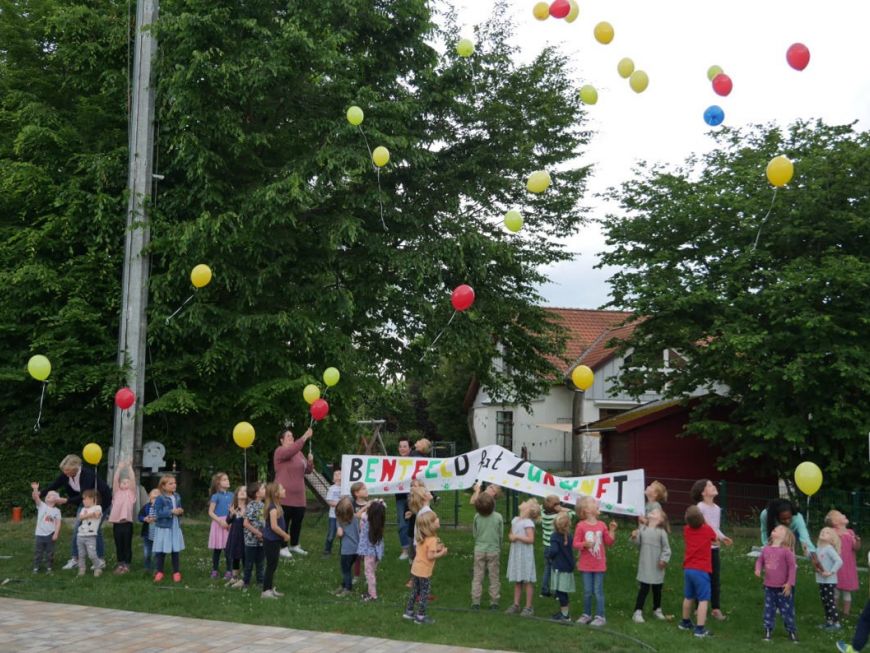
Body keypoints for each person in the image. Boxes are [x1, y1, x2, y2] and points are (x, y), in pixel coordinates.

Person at [40, 454, 112, 570]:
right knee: (79, 528)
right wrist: (39, 494)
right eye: (64, 470)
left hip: (101, 502)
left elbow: (82, 495)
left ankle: (100, 560)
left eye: (67, 470)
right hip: (85, 502)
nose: (65, 472)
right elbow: (54, 485)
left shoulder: (88, 475)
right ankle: (76, 559)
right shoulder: (66, 474)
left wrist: (66, 500)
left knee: (95, 529)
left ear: (76, 467)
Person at [690, 478, 733, 620]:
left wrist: (722, 537)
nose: (713, 486)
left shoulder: (716, 509)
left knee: (715, 579)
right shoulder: (700, 507)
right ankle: (698, 607)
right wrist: (717, 537)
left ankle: (715, 608)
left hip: (713, 549)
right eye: (709, 485)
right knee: (702, 577)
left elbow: (715, 527)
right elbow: (705, 525)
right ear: (703, 492)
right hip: (702, 549)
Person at [573, 496, 618, 627]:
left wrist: (612, 530)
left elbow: (609, 542)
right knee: (587, 591)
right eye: (593, 502)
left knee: (598, 591)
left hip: (599, 565)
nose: (597, 503)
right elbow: (575, 543)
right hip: (586, 565)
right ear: (586, 510)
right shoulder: (580, 526)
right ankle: (586, 614)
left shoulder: (602, 525)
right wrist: (584, 544)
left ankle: (600, 616)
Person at [273, 426, 314, 558]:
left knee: (297, 522)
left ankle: (294, 545)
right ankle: (282, 546)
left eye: (292, 436)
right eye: (288, 436)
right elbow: (292, 450)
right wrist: (305, 437)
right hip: (284, 496)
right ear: (281, 440)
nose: (291, 437)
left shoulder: (299, 453)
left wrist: (310, 462)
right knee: (283, 522)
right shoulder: (280, 451)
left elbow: (307, 471)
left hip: (299, 496)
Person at [403, 510, 448, 625]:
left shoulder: (421, 537)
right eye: (435, 518)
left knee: (415, 590)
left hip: (415, 569)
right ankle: (420, 616)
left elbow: (424, 551)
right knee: (424, 593)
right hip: (424, 571)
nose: (438, 519)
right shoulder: (432, 539)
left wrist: (437, 548)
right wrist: (441, 553)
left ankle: (408, 612)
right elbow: (430, 556)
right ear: (430, 525)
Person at [755, 524, 798, 643]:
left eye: (780, 529)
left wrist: (790, 583)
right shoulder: (766, 549)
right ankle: (768, 630)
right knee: (769, 610)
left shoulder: (786, 551)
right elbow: (760, 561)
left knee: (787, 611)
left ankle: (792, 631)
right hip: (769, 586)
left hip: (783, 587)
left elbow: (792, 568)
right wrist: (758, 569)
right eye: (776, 528)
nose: (776, 528)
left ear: (785, 537)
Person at [679, 505, 717, 638]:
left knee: (688, 596)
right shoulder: (707, 529)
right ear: (701, 518)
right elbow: (715, 539)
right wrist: (704, 521)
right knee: (703, 599)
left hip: (688, 569)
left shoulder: (686, 530)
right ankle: (700, 629)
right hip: (701, 570)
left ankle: (685, 622)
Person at [631, 508, 671, 623]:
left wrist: (664, 560)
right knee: (644, 588)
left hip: (657, 566)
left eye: (655, 512)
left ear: (660, 519)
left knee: (657, 589)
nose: (652, 512)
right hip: (645, 563)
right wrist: (634, 536)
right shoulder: (643, 528)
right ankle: (637, 612)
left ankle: (657, 609)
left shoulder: (661, 532)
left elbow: (666, 549)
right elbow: (638, 544)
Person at [505, 497, 541, 617]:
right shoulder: (515, 520)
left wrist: (517, 538)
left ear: (528, 509)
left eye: (526, 502)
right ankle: (516, 604)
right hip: (516, 554)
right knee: (518, 579)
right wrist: (511, 537)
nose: (523, 502)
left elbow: (531, 539)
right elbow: (511, 533)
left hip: (525, 555)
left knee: (527, 580)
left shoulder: (528, 523)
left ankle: (528, 607)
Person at [471, 491, 503, 611]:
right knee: (494, 576)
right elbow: (501, 534)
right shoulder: (498, 517)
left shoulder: (476, 517)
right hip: (493, 550)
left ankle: (475, 602)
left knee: (477, 576)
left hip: (479, 550)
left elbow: (475, 533)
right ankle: (494, 602)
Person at [827, 510, 862, 617]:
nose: (844, 515)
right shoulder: (832, 532)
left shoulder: (851, 532)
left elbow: (855, 548)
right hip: (836, 566)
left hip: (848, 566)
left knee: (847, 591)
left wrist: (858, 541)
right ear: (835, 522)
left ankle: (846, 613)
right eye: (841, 515)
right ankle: (835, 610)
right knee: (836, 589)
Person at [152, 474, 184, 583]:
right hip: (164, 528)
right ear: (163, 486)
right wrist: (171, 511)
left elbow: (179, 508)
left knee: (175, 549)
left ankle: (176, 572)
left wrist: (180, 511)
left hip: (174, 526)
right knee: (161, 550)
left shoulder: (177, 496)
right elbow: (158, 513)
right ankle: (160, 571)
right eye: (171, 483)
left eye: (175, 483)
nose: (174, 485)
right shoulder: (160, 498)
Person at [261, 482, 291, 599]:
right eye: (282, 489)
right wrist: (285, 535)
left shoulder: (277, 505)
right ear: (276, 493)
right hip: (271, 540)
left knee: (273, 565)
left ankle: (269, 588)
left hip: (274, 540)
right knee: (271, 565)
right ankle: (265, 591)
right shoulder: (273, 508)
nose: (284, 490)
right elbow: (274, 526)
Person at [540, 494, 572, 598]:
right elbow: (572, 514)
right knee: (556, 569)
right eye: (557, 504)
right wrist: (562, 509)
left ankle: (544, 589)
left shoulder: (543, 515)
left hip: (546, 547)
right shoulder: (557, 517)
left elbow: (541, 506)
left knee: (547, 568)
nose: (560, 505)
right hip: (556, 547)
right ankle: (557, 591)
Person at [108, 459, 137, 574]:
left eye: (127, 482)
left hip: (127, 524)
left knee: (127, 544)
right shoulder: (116, 493)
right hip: (117, 524)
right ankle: (120, 564)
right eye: (122, 482)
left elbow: (133, 480)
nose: (124, 483)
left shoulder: (131, 493)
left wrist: (129, 467)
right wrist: (119, 468)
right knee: (118, 544)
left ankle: (127, 564)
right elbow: (115, 480)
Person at [546, 511, 576, 622]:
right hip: (568, 567)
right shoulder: (569, 536)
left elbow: (554, 550)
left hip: (559, 568)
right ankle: (564, 612)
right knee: (563, 591)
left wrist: (549, 556)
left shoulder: (555, 536)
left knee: (561, 592)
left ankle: (565, 615)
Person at [29, 482, 61, 573]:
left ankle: (49, 567)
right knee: (38, 552)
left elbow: (58, 523)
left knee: (49, 552)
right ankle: (36, 567)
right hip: (39, 534)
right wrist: (35, 489)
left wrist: (56, 533)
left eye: (51, 496)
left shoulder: (57, 511)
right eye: (47, 495)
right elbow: (36, 497)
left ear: (56, 500)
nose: (47, 496)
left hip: (50, 535)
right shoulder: (42, 506)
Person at [816, 526, 843, 631]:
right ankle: (829, 622)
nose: (823, 532)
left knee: (830, 601)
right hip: (821, 580)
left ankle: (836, 624)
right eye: (822, 531)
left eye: (827, 532)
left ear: (832, 539)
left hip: (830, 581)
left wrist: (831, 572)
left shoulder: (829, 549)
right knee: (825, 601)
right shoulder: (818, 549)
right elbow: (815, 560)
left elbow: (839, 561)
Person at [358, 499, 386, 601]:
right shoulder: (379, 522)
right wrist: (379, 503)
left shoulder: (366, 519)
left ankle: (372, 595)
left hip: (369, 553)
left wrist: (367, 505)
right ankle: (370, 592)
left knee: (369, 573)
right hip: (377, 551)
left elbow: (358, 514)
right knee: (372, 572)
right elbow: (383, 507)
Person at [207, 472, 232, 579]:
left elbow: (234, 509)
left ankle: (229, 571)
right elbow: (211, 512)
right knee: (217, 550)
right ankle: (215, 570)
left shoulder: (232, 495)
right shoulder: (215, 496)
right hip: (218, 524)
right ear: (218, 483)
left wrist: (231, 521)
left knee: (228, 549)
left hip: (229, 524)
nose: (228, 481)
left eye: (228, 479)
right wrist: (220, 521)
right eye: (225, 479)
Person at [242, 481, 266, 591]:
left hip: (261, 541)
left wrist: (263, 534)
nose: (265, 490)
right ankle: (246, 581)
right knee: (249, 562)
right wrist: (257, 533)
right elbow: (246, 523)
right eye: (263, 489)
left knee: (260, 562)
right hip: (251, 541)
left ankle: (260, 581)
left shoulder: (264, 505)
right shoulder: (251, 505)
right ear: (257, 493)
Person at [76, 489, 105, 577]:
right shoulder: (83, 509)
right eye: (83, 499)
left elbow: (97, 515)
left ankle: (98, 568)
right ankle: (82, 568)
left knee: (92, 554)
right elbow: (80, 518)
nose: (83, 501)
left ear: (93, 499)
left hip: (91, 536)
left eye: (85, 499)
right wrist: (90, 515)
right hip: (80, 535)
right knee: (81, 554)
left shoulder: (98, 507)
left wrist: (88, 515)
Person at [334, 497, 358, 597]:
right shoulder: (356, 518)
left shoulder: (340, 521)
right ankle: (343, 585)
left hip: (347, 550)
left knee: (345, 569)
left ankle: (347, 588)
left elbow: (339, 534)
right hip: (356, 550)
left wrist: (339, 531)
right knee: (347, 568)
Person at [224, 485, 247, 588]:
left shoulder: (249, 507)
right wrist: (232, 514)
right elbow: (227, 521)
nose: (242, 492)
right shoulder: (233, 506)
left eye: (244, 491)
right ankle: (234, 577)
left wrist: (243, 515)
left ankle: (246, 578)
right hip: (234, 535)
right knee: (235, 557)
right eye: (240, 491)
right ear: (236, 495)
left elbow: (249, 522)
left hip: (245, 536)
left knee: (245, 557)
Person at [395, 437, 413, 560]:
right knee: (402, 524)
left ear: (410, 448)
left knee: (416, 522)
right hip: (401, 498)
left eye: (405, 446)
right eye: (400, 446)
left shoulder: (416, 461)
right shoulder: (394, 462)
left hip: (414, 496)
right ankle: (405, 550)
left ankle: (418, 549)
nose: (402, 448)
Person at [138, 488, 159, 572]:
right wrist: (145, 518)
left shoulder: (161, 508)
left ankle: (156, 569)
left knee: (156, 553)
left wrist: (156, 519)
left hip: (157, 534)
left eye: (157, 498)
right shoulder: (146, 507)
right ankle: (147, 567)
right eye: (154, 498)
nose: (155, 500)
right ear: (150, 498)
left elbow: (164, 517)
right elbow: (139, 516)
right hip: (147, 534)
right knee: (147, 553)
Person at [323, 469, 341, 556]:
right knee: (331, 534)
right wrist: (340, 504)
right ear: (333, 479)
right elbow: (329, 501)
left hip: (343, 516)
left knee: (343, 535)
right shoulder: (332, 488)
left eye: (340, 473)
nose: (338, 475)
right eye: (336, 474)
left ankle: (343, 552)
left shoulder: (346, 488)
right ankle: (327, 551)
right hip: (333, 516)